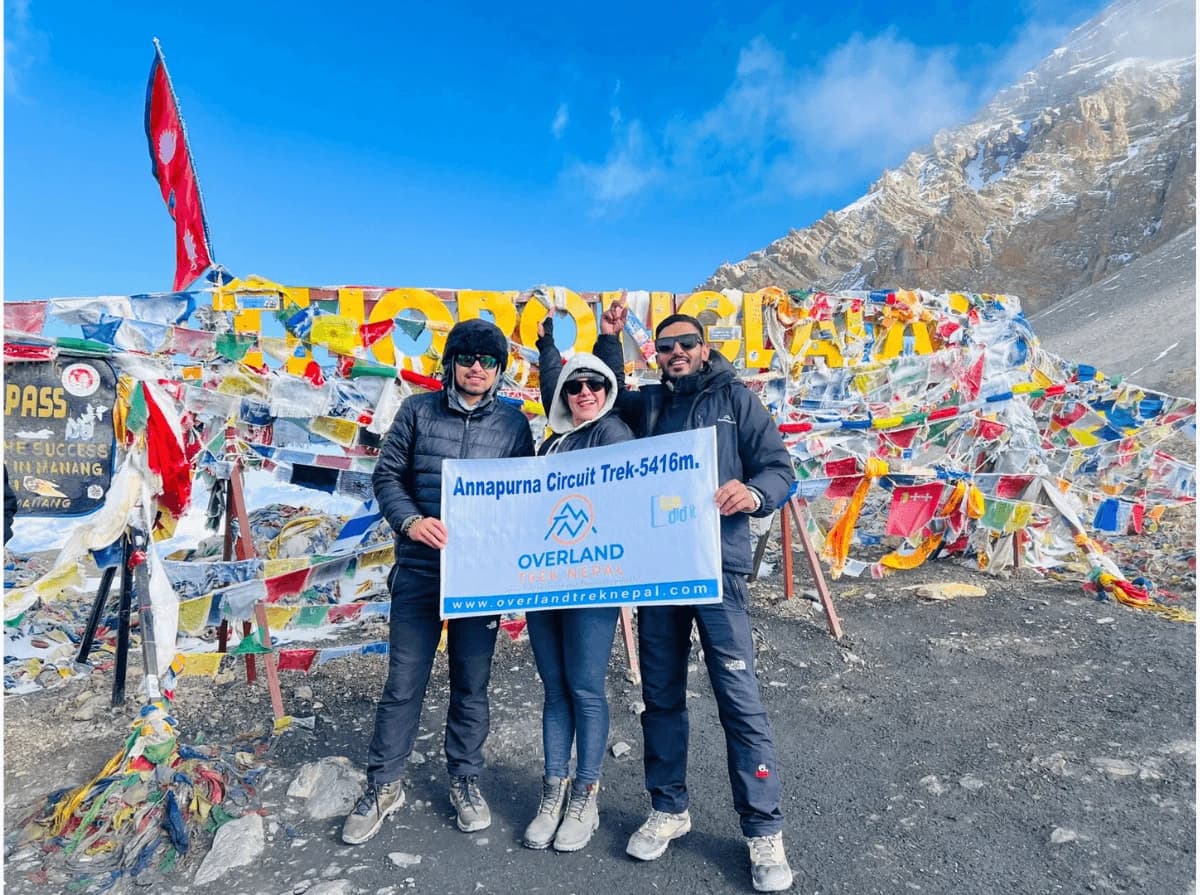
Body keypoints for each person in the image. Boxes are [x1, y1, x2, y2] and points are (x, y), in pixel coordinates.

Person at [593, 298, 798, 892]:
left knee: (739, 699)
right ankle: (668, 808)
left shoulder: (736, 401)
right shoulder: (647, 403)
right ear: (656, 355)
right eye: (665, 346)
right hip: (660, 572)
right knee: (660, 696)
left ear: (704, 349)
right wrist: (609, 340)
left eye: (686, 343)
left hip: (717, 570)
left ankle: (763, 830)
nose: (676, 352)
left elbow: (780, 469)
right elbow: (602, 396)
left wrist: (753, 494)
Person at [342, 318, 535, 846]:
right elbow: (387, 476)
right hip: (421, 569)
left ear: (499, 370)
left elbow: (526, 495)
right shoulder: (417, 411)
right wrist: (410, 521)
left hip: (479, 577)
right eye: (467, 358)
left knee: (472, 682)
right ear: (450, 363)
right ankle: (384, 784)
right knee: (404, 681)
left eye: (488, 361)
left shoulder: (514, 425)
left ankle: (465, 779)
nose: (477, 368)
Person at [521, 316, 635, 852]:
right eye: (575, 387)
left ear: (608, 390)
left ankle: (586, 795)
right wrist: (547, 347)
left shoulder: (614, 433)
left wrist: (608, 342)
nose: (584, 392)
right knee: (554, 688)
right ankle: (553, 791)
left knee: (585, 687)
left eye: (595, 384)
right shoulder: (550, 444)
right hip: (544, 582)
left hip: (592, 582)